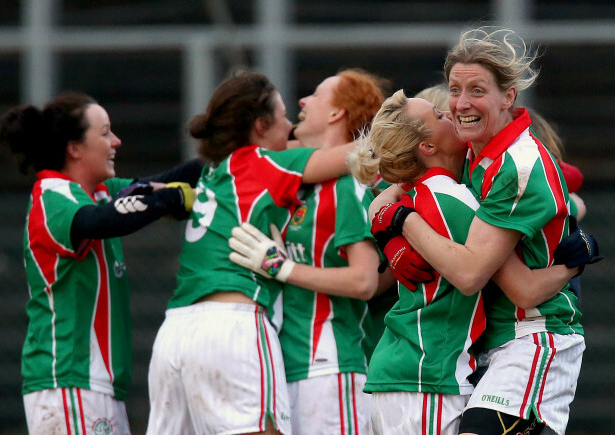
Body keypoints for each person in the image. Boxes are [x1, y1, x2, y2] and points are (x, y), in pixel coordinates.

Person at [369, 28, 601, 435]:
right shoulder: (471, 148)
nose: (459, 104)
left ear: (508, 97)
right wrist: (388, 230)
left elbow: (497, 282)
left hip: (533, 336)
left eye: (476, 90)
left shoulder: (516, 164)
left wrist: (403, 222)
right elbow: (386, 194)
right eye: (454, 89)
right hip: (486, 347)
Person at [146, 71, 360, 435]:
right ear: (261, 126)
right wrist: (404, 125)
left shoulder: (214, 170)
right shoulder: (264, 162)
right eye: (282, 116)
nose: (291, 125)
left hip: (174, 333)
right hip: (232, 326)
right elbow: (354, 154)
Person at [0, 91, 198, 434]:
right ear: (74, 147)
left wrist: (240, 154)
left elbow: (176, 176)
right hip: (69, 380)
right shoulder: (52, 196)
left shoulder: (101, 192)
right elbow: (102, 221)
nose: (116, 141)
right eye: (104, 133)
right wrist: (171, 197)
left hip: (96, 386)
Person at [227, 68, 391, 434]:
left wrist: (282, 267)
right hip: (282, 364)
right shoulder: (298, 183)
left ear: (337, 114)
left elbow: (364, 280)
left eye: (316, 94)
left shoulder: (348, 185)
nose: (302, 101)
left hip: (328, 366)